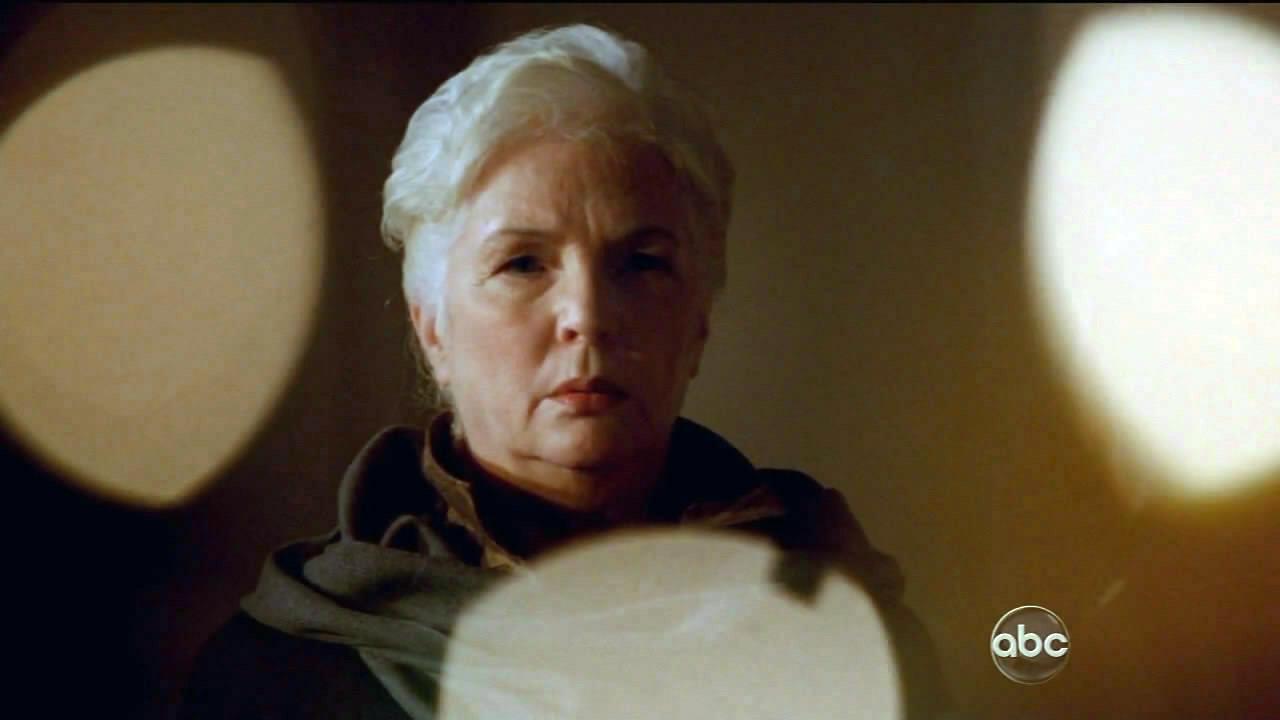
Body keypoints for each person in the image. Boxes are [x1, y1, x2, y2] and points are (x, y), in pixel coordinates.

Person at [178, 23, 951, 720]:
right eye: (522, 263)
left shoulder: (847, 626)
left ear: (698, 323)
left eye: (641, 263)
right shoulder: (281, 674)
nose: (587, 314)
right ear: (433, 328)